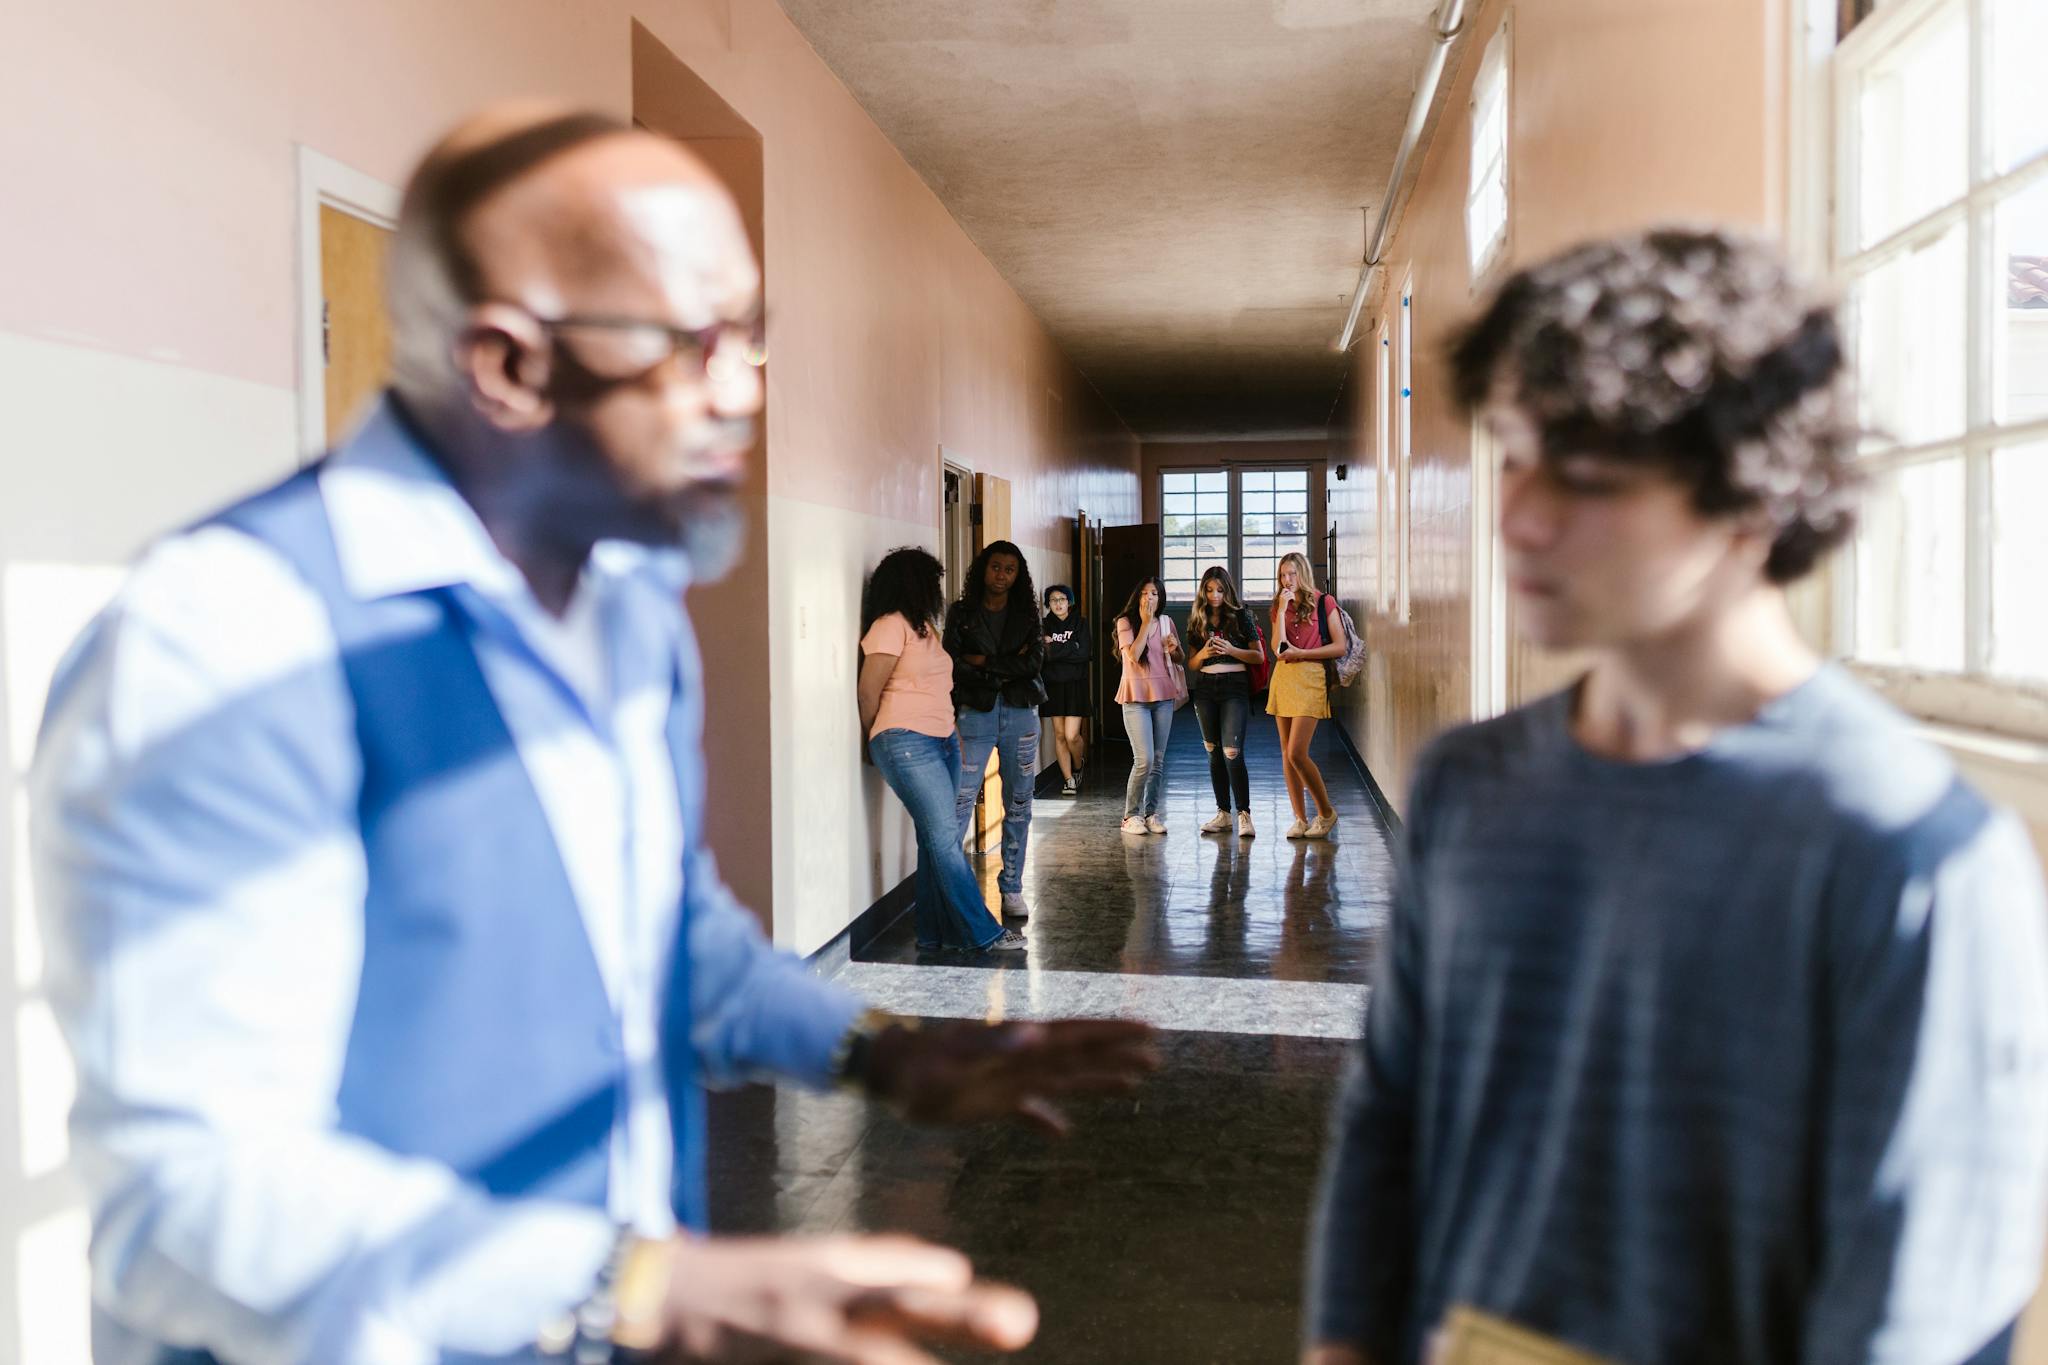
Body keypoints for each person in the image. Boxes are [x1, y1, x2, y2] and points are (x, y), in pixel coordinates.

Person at [29, 105, 1161, 1365]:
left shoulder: (621, 618)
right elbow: (184, 1201)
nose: (747, 392)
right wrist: (652, 1295)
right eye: (697, 342)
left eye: (756, 341)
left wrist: (887, 1058)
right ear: (507, 364)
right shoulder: (232, 643)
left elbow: (665, 936)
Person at [1305, 228, 2048, 1365]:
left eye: (1586, 476)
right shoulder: (1469, 787)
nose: (1518, 517)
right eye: (1510, 456)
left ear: (1751, 494)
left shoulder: (1905, 854)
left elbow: (1914, 1315)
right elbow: (1390, 1117)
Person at [859, 547, 1022, 954]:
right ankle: (984, 932)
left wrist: (953, 734)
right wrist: (872, 738)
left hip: (943, 740)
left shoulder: (924, 629)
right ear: (911, 584)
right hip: (904, 741)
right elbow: (868, 691)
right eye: (930, 581)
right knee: (946, 839)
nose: (937, 589)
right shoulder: (888, 626)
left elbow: (938, 687)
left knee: (935, 841)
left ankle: (933, 935)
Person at [943, 540, 1045, 922]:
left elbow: (1033, 664)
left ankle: (1012, 887)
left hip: (1021, 713)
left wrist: (983, 661)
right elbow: (952, 665)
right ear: (983, 569)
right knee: (960, 801)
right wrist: (1006, 663)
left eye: (1010, 570)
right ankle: (952, 890)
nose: (1001, 575)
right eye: (996, 567)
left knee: (1019, 803)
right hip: (975, 715)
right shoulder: (962, 613)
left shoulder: (1027, 614)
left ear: (1018, 576)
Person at [1266, 551, 1345, 839]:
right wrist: (1283, 610)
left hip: (1311, 675)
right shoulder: (1280, 604)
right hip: (1284, 676)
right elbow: (1277, 648)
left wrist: (1305, 653)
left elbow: (1340, 646)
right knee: (1286, 753)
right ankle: (1300, 818)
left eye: (1292, 574)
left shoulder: (1324, 602)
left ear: (1303, 573)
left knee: (1297, 752)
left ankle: (1325, 813)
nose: (1287, 580)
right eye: (1283, 575)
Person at [1185, 565, 1263, 839]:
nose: (1214, 595)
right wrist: (1205, 653)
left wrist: (1231, 650)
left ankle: (1244, 814)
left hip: (1234, 688)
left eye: (1219, 589)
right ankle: (1223, 813)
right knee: (1213, 751)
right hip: (1205, 688)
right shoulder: (1197, 617)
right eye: (1209, 590)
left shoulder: (1242, 615)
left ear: (1227, 589)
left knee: (1232, 752)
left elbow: (1259, 657)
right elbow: (1192, 664)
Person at [1113, 575, 1184, 835]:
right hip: (1135, 698)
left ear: (1160, 597)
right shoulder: (1125, 622)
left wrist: (1175, 649)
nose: (1149, 598)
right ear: (1137, 597)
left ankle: (1151, 813)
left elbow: (1179, 658)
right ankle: (1130, 816)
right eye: (1144, 593)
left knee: (1158, 760)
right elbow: (1132, 655)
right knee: (1143, 759)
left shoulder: (1166, 622)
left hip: (1163, 695)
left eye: (1154, 593)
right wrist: (1144, 624)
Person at [1041, 582, 1092, 795]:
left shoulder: (1080, 623)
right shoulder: (1044, 625)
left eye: (1062, 599)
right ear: (1048, 604)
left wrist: (1055, 647)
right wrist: (1070, 648)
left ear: (1069, 602)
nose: (1058, 604)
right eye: (1053, 600)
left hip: (1075, 684)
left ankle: (1078, 766)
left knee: (1072, 735)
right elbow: (1044, 655)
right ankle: (1068, 779)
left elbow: (1085, 653)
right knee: (1059, 735)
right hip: (1053, 685)